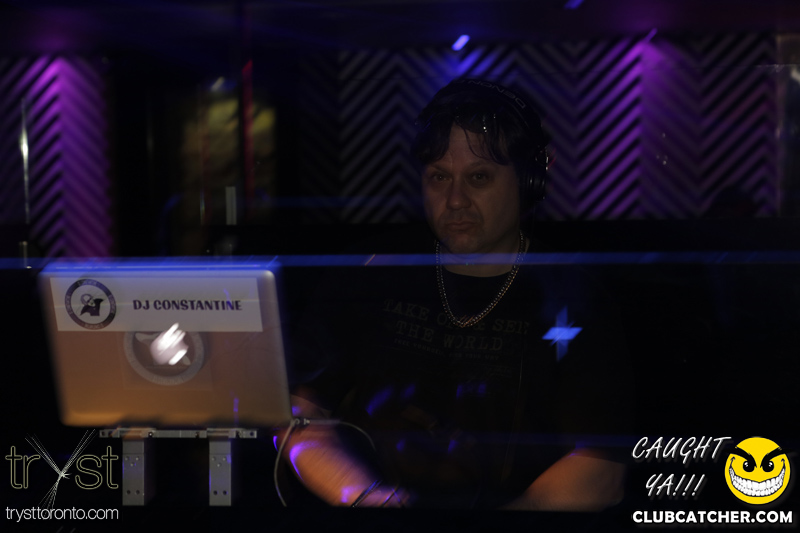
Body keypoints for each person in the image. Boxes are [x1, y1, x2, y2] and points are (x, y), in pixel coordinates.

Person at [280, 78, 632, 510]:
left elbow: (602, 466)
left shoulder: (575, 295)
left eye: (479, 177)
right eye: (439, 177)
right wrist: (365, 499)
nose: (455, 200)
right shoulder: (369, 272)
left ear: (529, 181)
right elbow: (298, 413)